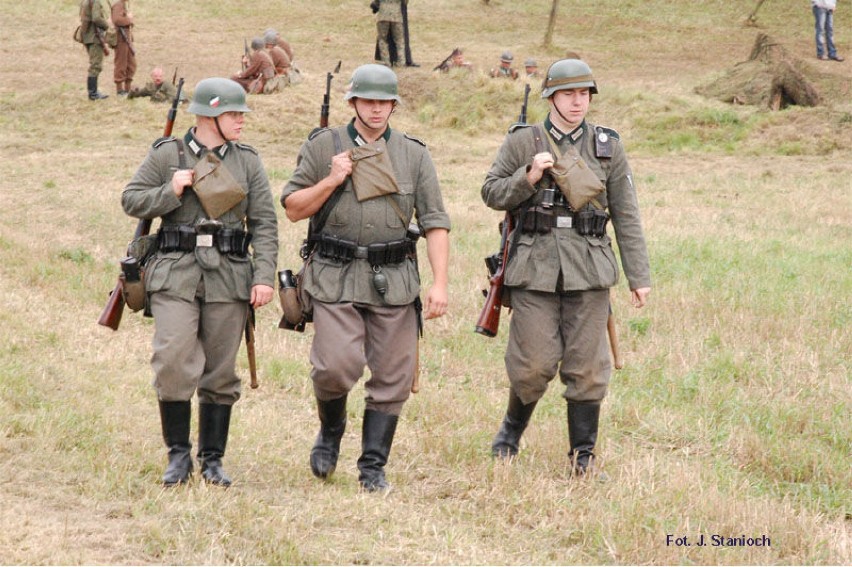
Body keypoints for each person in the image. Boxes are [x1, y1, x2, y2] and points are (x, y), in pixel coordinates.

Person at [281, 64, 450, 492]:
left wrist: (439, 283)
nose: (376, 110)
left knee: (394, 375)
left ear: (393, 105)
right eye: (368, 101)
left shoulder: (414, 154)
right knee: (335, 367)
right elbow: (294, 207)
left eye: (384, 102)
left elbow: (435, 222)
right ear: (353, 103)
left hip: (394, 278)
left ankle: (373, 465)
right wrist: (333, 178)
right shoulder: (325, 146)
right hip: (335, 276)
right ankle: (330, 432)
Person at [481, 59, 651, 477]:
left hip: (589, 267)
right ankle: (510, 430)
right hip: (534, 265)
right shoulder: (524, 141)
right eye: (569, 94)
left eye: (584, 95)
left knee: (589, 366)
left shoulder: (607, 144)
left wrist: (639, 276)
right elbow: (490, 191)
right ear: (551, 97)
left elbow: (626, 213)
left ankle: (583, 458)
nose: (577, 103)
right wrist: (528, 176)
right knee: (533, 365)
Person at [121, 78, 279, 487]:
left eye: (242, 113)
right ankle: (178, 455)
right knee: (172, 358)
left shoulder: (247, 161)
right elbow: (132, 200)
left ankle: (212, 459)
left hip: (229, 275)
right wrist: (170, 190)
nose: (241, 120)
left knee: (221, 370)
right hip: (176, 272)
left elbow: (264, 223)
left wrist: (264, 277)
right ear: (209, 115)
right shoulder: (166, 153)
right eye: (233, 114)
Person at [78, 0, 111, 100]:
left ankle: (93, 92)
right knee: (96, 65)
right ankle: (93, 93)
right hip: (94, 37)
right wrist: (107, 25)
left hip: (87, 37)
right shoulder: (95, 1)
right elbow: (96, 18)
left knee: (94, 64)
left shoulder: (85, 1)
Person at [372, 0, 418, 67]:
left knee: (382, 40)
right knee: (399, 40)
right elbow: (405, 2)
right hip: (397, 17)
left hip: (383, 16)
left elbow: (375, 3)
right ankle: (401, 61)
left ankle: (386, 61)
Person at [111, 0, 136, 96]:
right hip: (121, 40)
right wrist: (129, 19)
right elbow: (117, 20)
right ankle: (120, 90)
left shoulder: (123, 5)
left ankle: (128, 89)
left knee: (132, 64)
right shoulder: (118, 5)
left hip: (127, 40)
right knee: (121, 64)